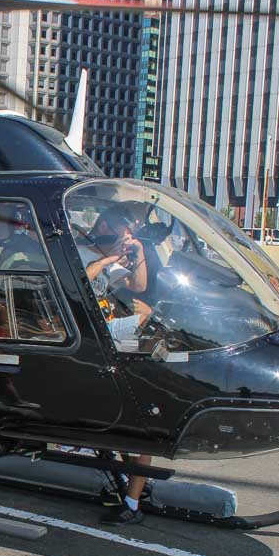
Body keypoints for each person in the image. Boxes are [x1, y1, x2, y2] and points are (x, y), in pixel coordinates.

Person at [80, 209, 154, 527]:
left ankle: (133, 498)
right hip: (94, 338)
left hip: (113, 339)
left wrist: (139, 253)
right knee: (124, 426)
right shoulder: (83, 253)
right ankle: (132, 490)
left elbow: (138, 285)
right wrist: (109, 258)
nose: (124, 241)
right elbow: (82, 280)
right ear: (105, 227)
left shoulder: (114, 261)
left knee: (134, 426)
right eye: (123, 234)